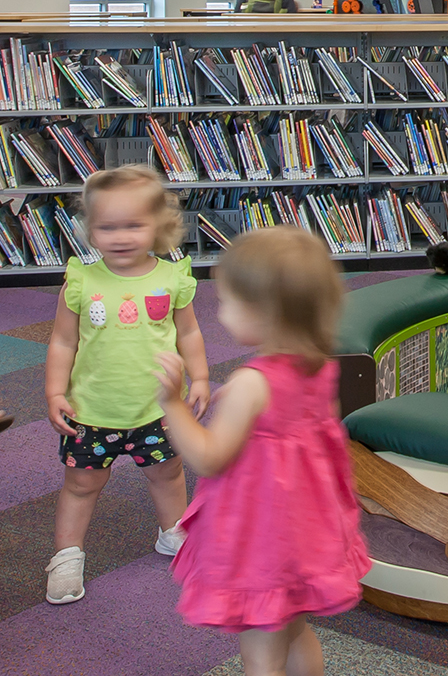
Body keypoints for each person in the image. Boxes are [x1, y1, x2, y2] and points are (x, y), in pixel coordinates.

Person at [156, 226, 369, 676]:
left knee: (260, 657)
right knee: (295, 631)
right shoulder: (320, 368)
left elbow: (209, 457)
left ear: (265, 313)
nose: (220, 313)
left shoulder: (252, 383)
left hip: (262, 545)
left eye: (228, 303)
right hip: (306, 535)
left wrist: (172, 405)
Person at [44, 165, 209, 604]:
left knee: (168, 474)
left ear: (159, 225)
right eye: (106, 227)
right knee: (81, 485)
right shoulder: (81, 280)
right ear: (90, 230)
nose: (120, 236)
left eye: (133, 225)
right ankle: (67, 555)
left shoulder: (173, 278)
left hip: (156, 409)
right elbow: (62, 341)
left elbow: (189, 333)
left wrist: (201, 376)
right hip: (91, 412)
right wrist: (55, 391)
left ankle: (172, 533)